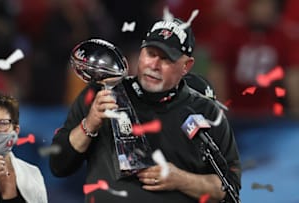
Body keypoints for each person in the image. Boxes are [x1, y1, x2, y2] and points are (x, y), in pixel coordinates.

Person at [50, 16, 241, 203]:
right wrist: (89, 124)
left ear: (186, 66)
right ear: (140, 52)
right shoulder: (102, 94)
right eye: (150, 54)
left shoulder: (206, 112)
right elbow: (58, 165)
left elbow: (230, 188)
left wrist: (180, 179)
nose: (154, 65)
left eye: (166, 59)